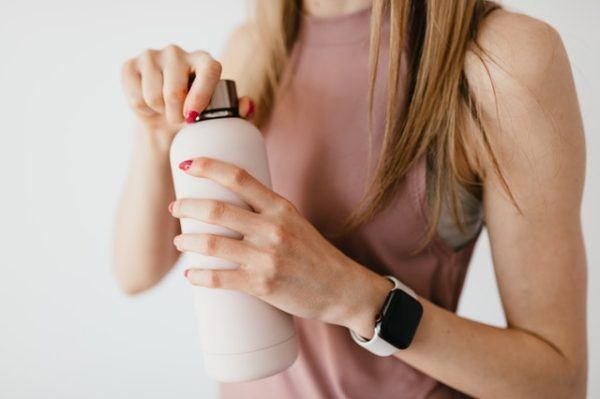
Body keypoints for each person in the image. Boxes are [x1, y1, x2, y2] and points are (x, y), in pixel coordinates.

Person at [113, 0, 588, 397]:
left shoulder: (502, 59)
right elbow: (136, 272)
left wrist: (354, 298)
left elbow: (558, 381)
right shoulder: (256, 47)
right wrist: (157, 140)